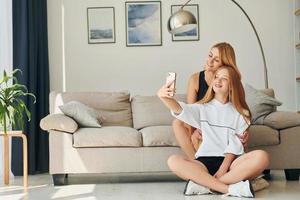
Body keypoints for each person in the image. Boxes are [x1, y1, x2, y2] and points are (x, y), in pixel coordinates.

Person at [157, 66, 269, 198]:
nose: (218, 80)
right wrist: (164, 97)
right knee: (173, 160)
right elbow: (180, 110)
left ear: (232, 85)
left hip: (231, 164)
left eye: (224, 78)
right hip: (204, 162)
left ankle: (204, 185)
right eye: (216, 77)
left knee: (262, 156)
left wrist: (223, 169)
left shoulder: (242, 113)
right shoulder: (202, 108)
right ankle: (229, 189)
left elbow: (235, 144)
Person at [173, 42, 250, 160]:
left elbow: (240, 111)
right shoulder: (195, 79)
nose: (210, 61)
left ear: (225, 64)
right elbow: (190, 112)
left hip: (224, 128)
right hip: (202, 125)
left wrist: (245, 133)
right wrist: (196, 131)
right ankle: (197, 164)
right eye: (210, 56)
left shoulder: (233, 82)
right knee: (177, 122)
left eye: (216, 60)